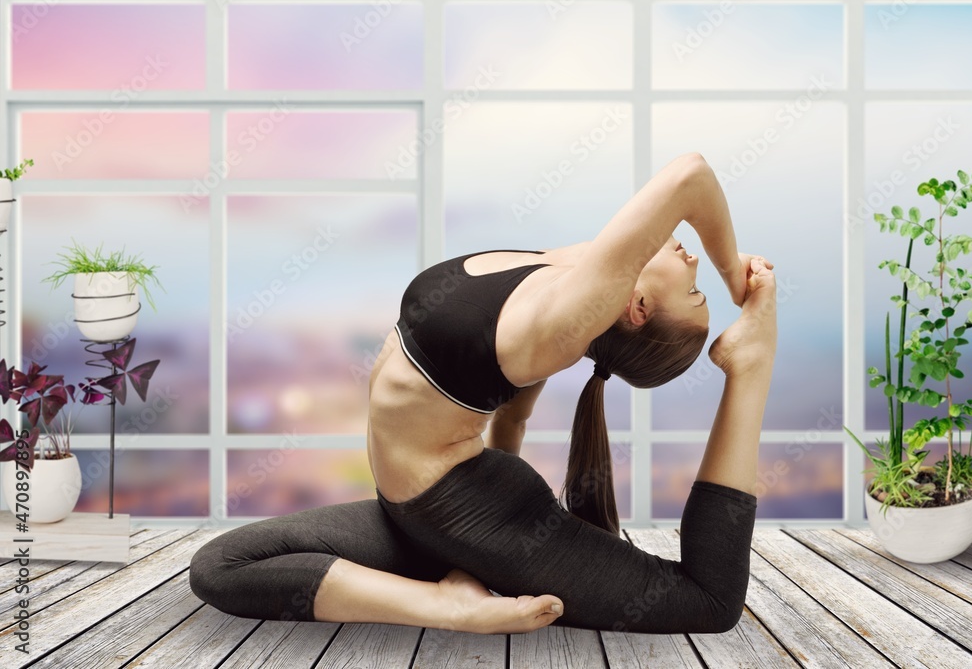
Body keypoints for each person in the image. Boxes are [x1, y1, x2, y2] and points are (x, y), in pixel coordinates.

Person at [189, 152, 778, 636]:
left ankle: (751, 366)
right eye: (704, 284)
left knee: (706, 603)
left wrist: (733, 280)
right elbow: (511, 422)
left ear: (636, 307)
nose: (694, 258)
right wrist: (480, 550)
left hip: (463, 509)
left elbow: (690, 175)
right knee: (220, 565)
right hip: (434, 510)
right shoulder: (567, 277)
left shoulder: (567, 321)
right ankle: (452, 585)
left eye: (694, 288)